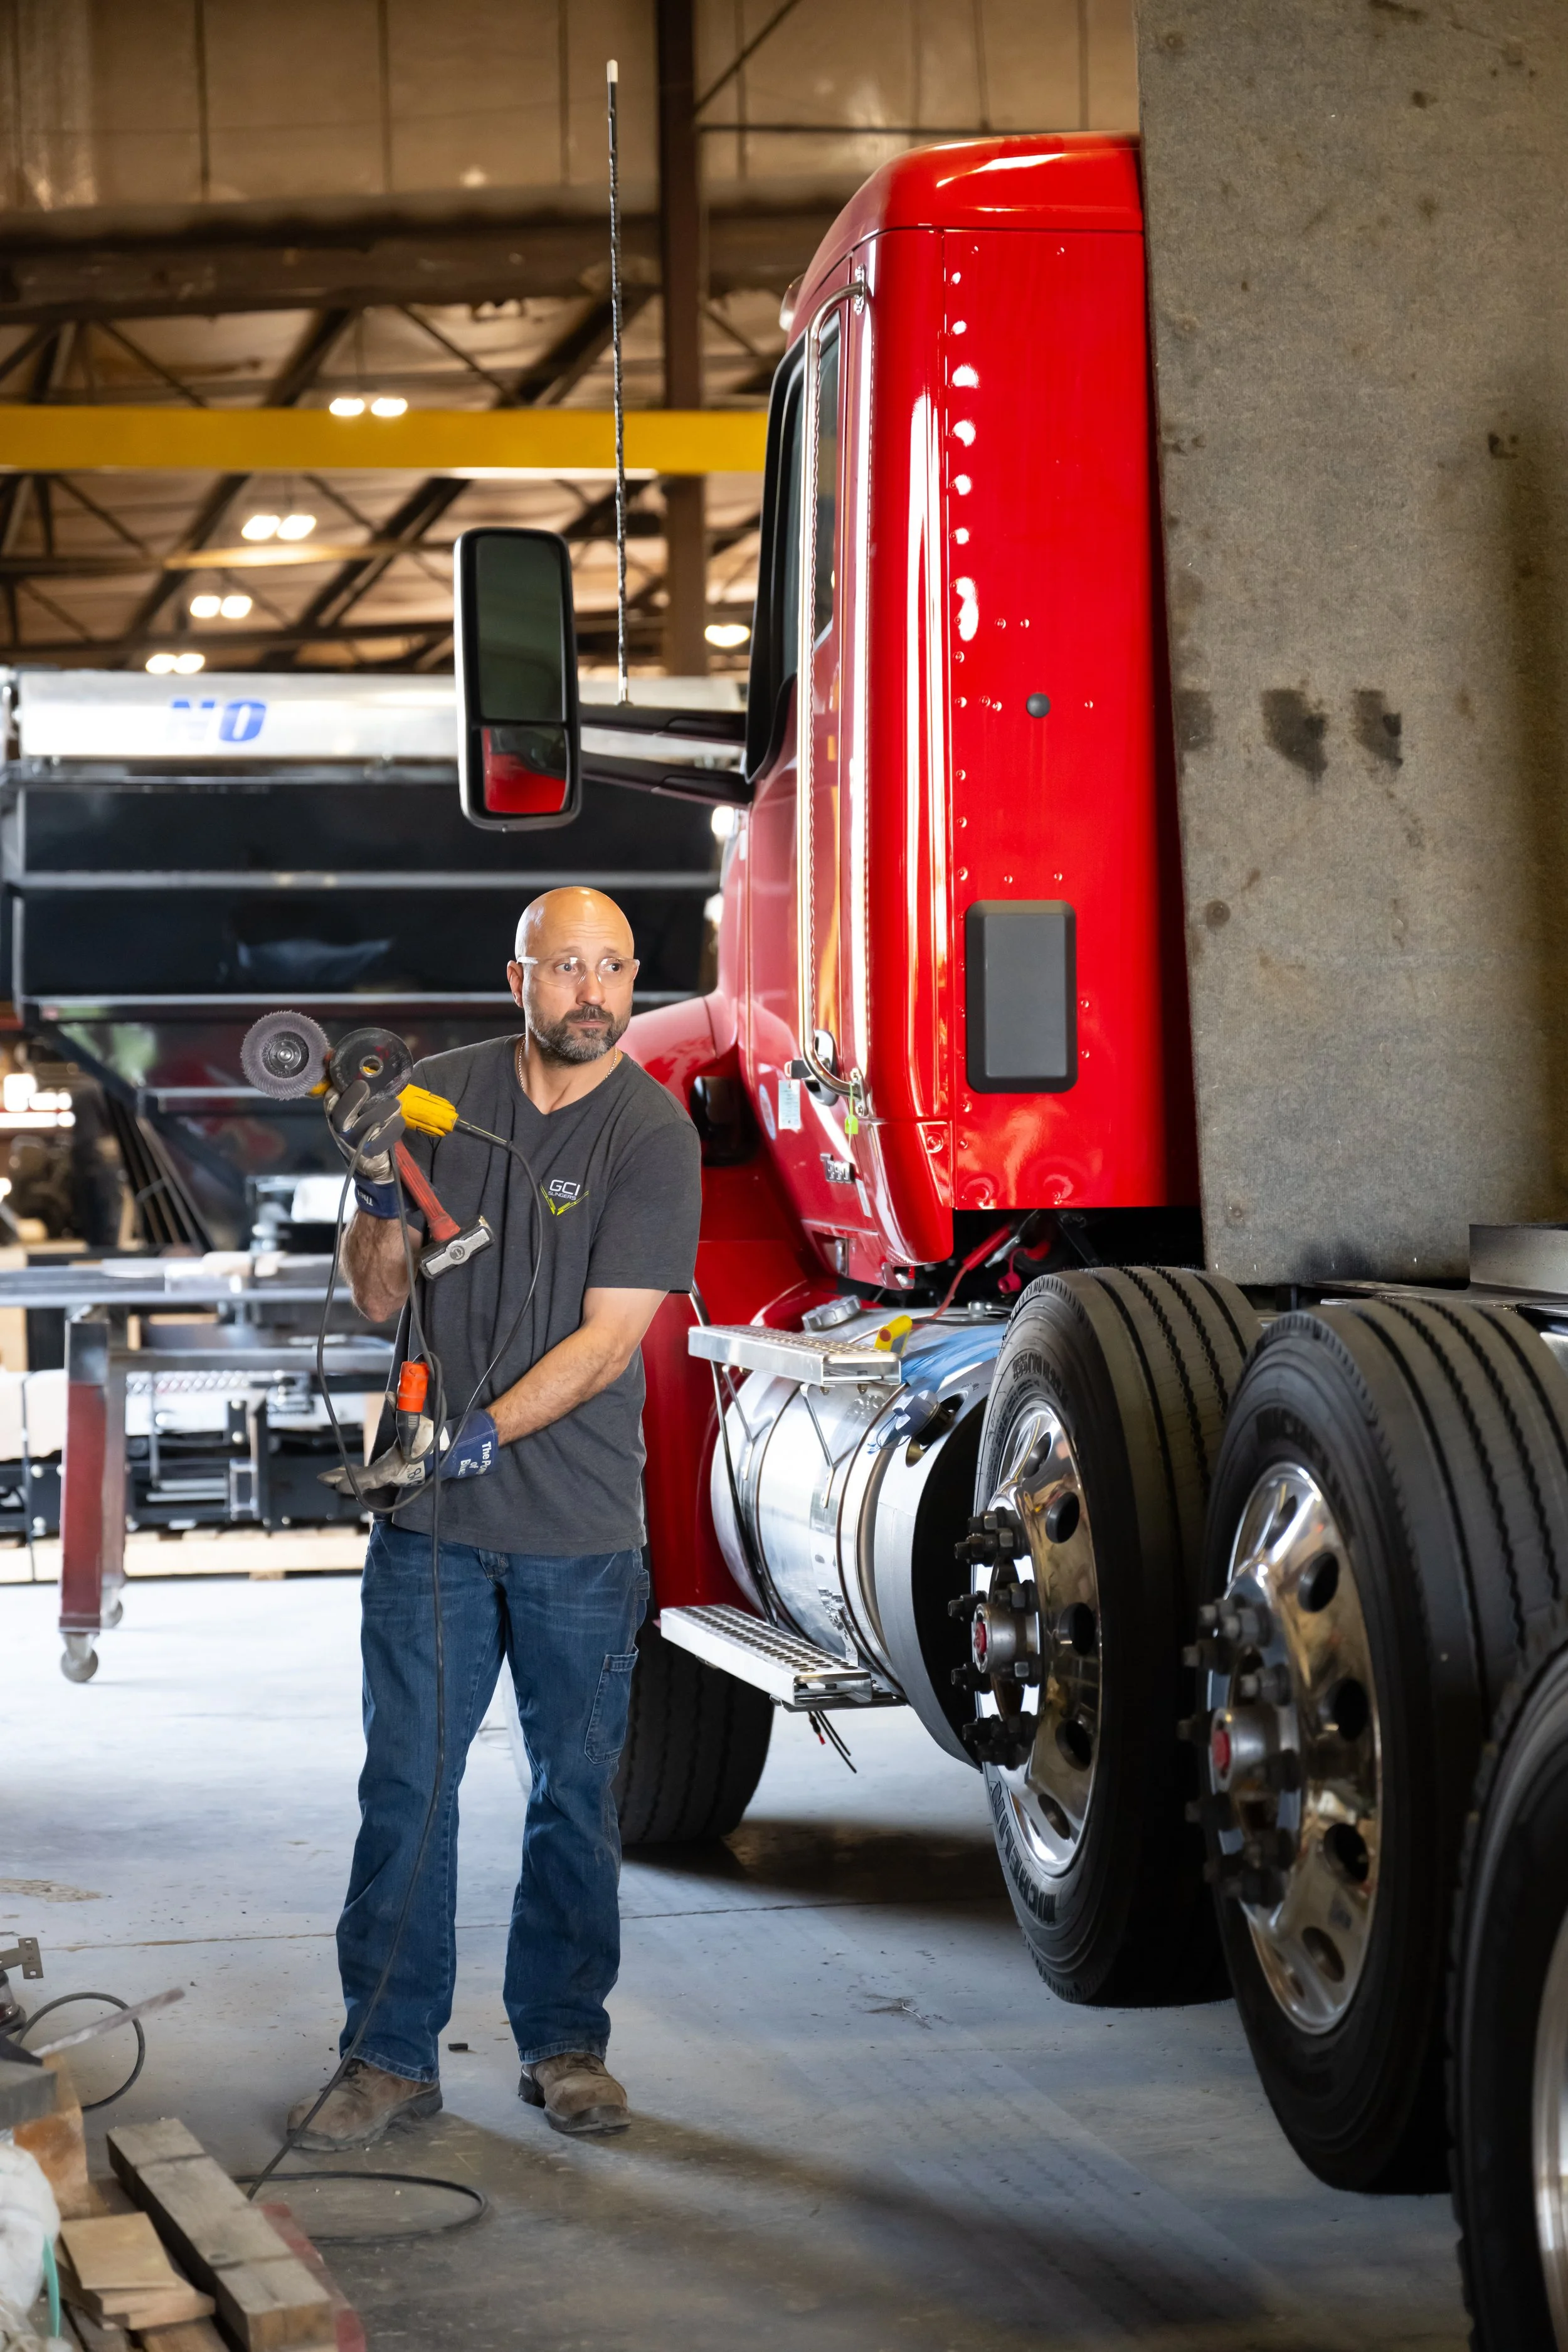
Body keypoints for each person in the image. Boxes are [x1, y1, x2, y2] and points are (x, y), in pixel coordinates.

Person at [289, 886, 701, 2146]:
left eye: (611, 969)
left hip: (578, 1527)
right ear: (516, 977)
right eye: (563, 966)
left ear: (634, 981)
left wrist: (475, 1434)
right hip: (429, 1533)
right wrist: (371, 1192)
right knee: (407, 1786)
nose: (590, 991)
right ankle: (388, 2054)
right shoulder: (440, 1099)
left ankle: (565, 2043)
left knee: (573, 1795)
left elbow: (608, 1340)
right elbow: (370, 1301)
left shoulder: (650, 1134)